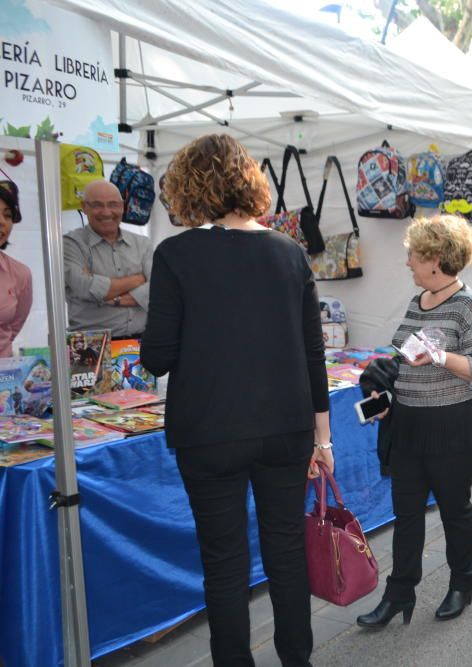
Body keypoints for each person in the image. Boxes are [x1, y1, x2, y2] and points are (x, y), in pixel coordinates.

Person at [140, 134, 331, 665]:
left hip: (209, 432)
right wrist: (324, 439)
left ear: (188, 187)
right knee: (286, 552)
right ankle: (297, 659)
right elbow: (313, 355)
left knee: (224, 563)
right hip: (286, 429)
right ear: (249, 182)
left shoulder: (176, 254)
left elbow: (156, 357)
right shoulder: (290, 253)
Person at [356, 215, 472, 628]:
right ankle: (400, 593)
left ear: (435, 258)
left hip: (453, 426)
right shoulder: (419, 301)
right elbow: (404, 359)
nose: (408, 264)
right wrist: (385, 391)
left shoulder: (469, 304)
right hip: (409, 425)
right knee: (407, 515)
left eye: (413, 256)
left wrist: (438, 357)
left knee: (455, 510)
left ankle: (461, 584)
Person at [64, 179, 153, 338]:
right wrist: (137, 280)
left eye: (113, 204)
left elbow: (156, 290)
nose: (106, 212)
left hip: (141, 344)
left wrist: (108, 297)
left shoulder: (143, 244)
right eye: (97, 205)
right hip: (91, 346)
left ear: (123, 206)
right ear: (84, 207)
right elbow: (85, 287)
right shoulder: (71, 243)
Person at [0, 180, 32, 357]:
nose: (2, 222)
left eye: (7, 215)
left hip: (4, 377)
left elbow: (13, 328)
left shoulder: (20, 274)